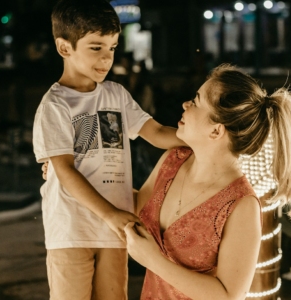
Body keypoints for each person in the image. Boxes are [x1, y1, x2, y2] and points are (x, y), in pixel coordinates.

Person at [123, 64, 291, 299]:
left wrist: (153, 261)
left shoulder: (242, 204)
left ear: (216, 131)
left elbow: (228, 295)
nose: (186, 104)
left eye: (196, 101)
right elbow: (135, 206)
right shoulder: (172, 161)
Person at [32, 1, 185, 299]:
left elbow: (154, 132)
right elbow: (63, 170)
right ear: (65, 48)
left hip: (115, 230)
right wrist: (111, 214)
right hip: (71, 228)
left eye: (112, 48)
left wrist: (197, 137)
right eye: (95, 48)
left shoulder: (116, 94)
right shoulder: (55, 105)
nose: (106, 59)